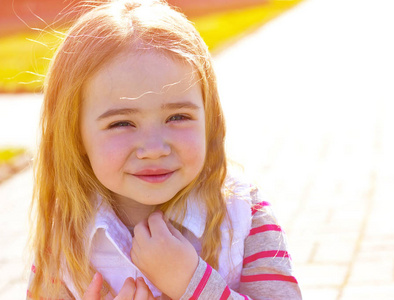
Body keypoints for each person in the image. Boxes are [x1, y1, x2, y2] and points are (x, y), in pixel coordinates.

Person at [27, 0, 302, 299]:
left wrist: (192, 284)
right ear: (76, 135)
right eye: (122, 123)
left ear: (209, 120)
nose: (154, 149)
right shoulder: (64, 238)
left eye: (178, 117)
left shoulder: (243, 214)